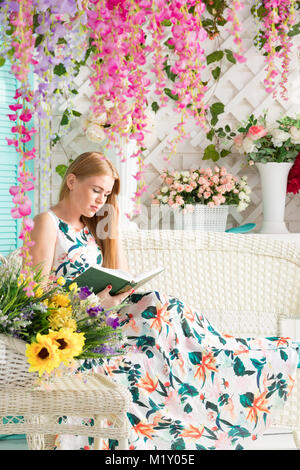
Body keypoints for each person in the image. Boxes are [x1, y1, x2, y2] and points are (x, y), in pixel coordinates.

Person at [28, 152, 298, 450]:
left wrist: (118, 287)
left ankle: (222, 352)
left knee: (164, 308)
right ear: (71, 180)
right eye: (96, 190)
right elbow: (37, 296)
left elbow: (121, 275)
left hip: (111, 318)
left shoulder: (94, 228)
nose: (100, 201)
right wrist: (92, 307)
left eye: (106, 194)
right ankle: (225, 353)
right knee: (158, 305)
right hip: (80, 329)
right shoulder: (47, 222)